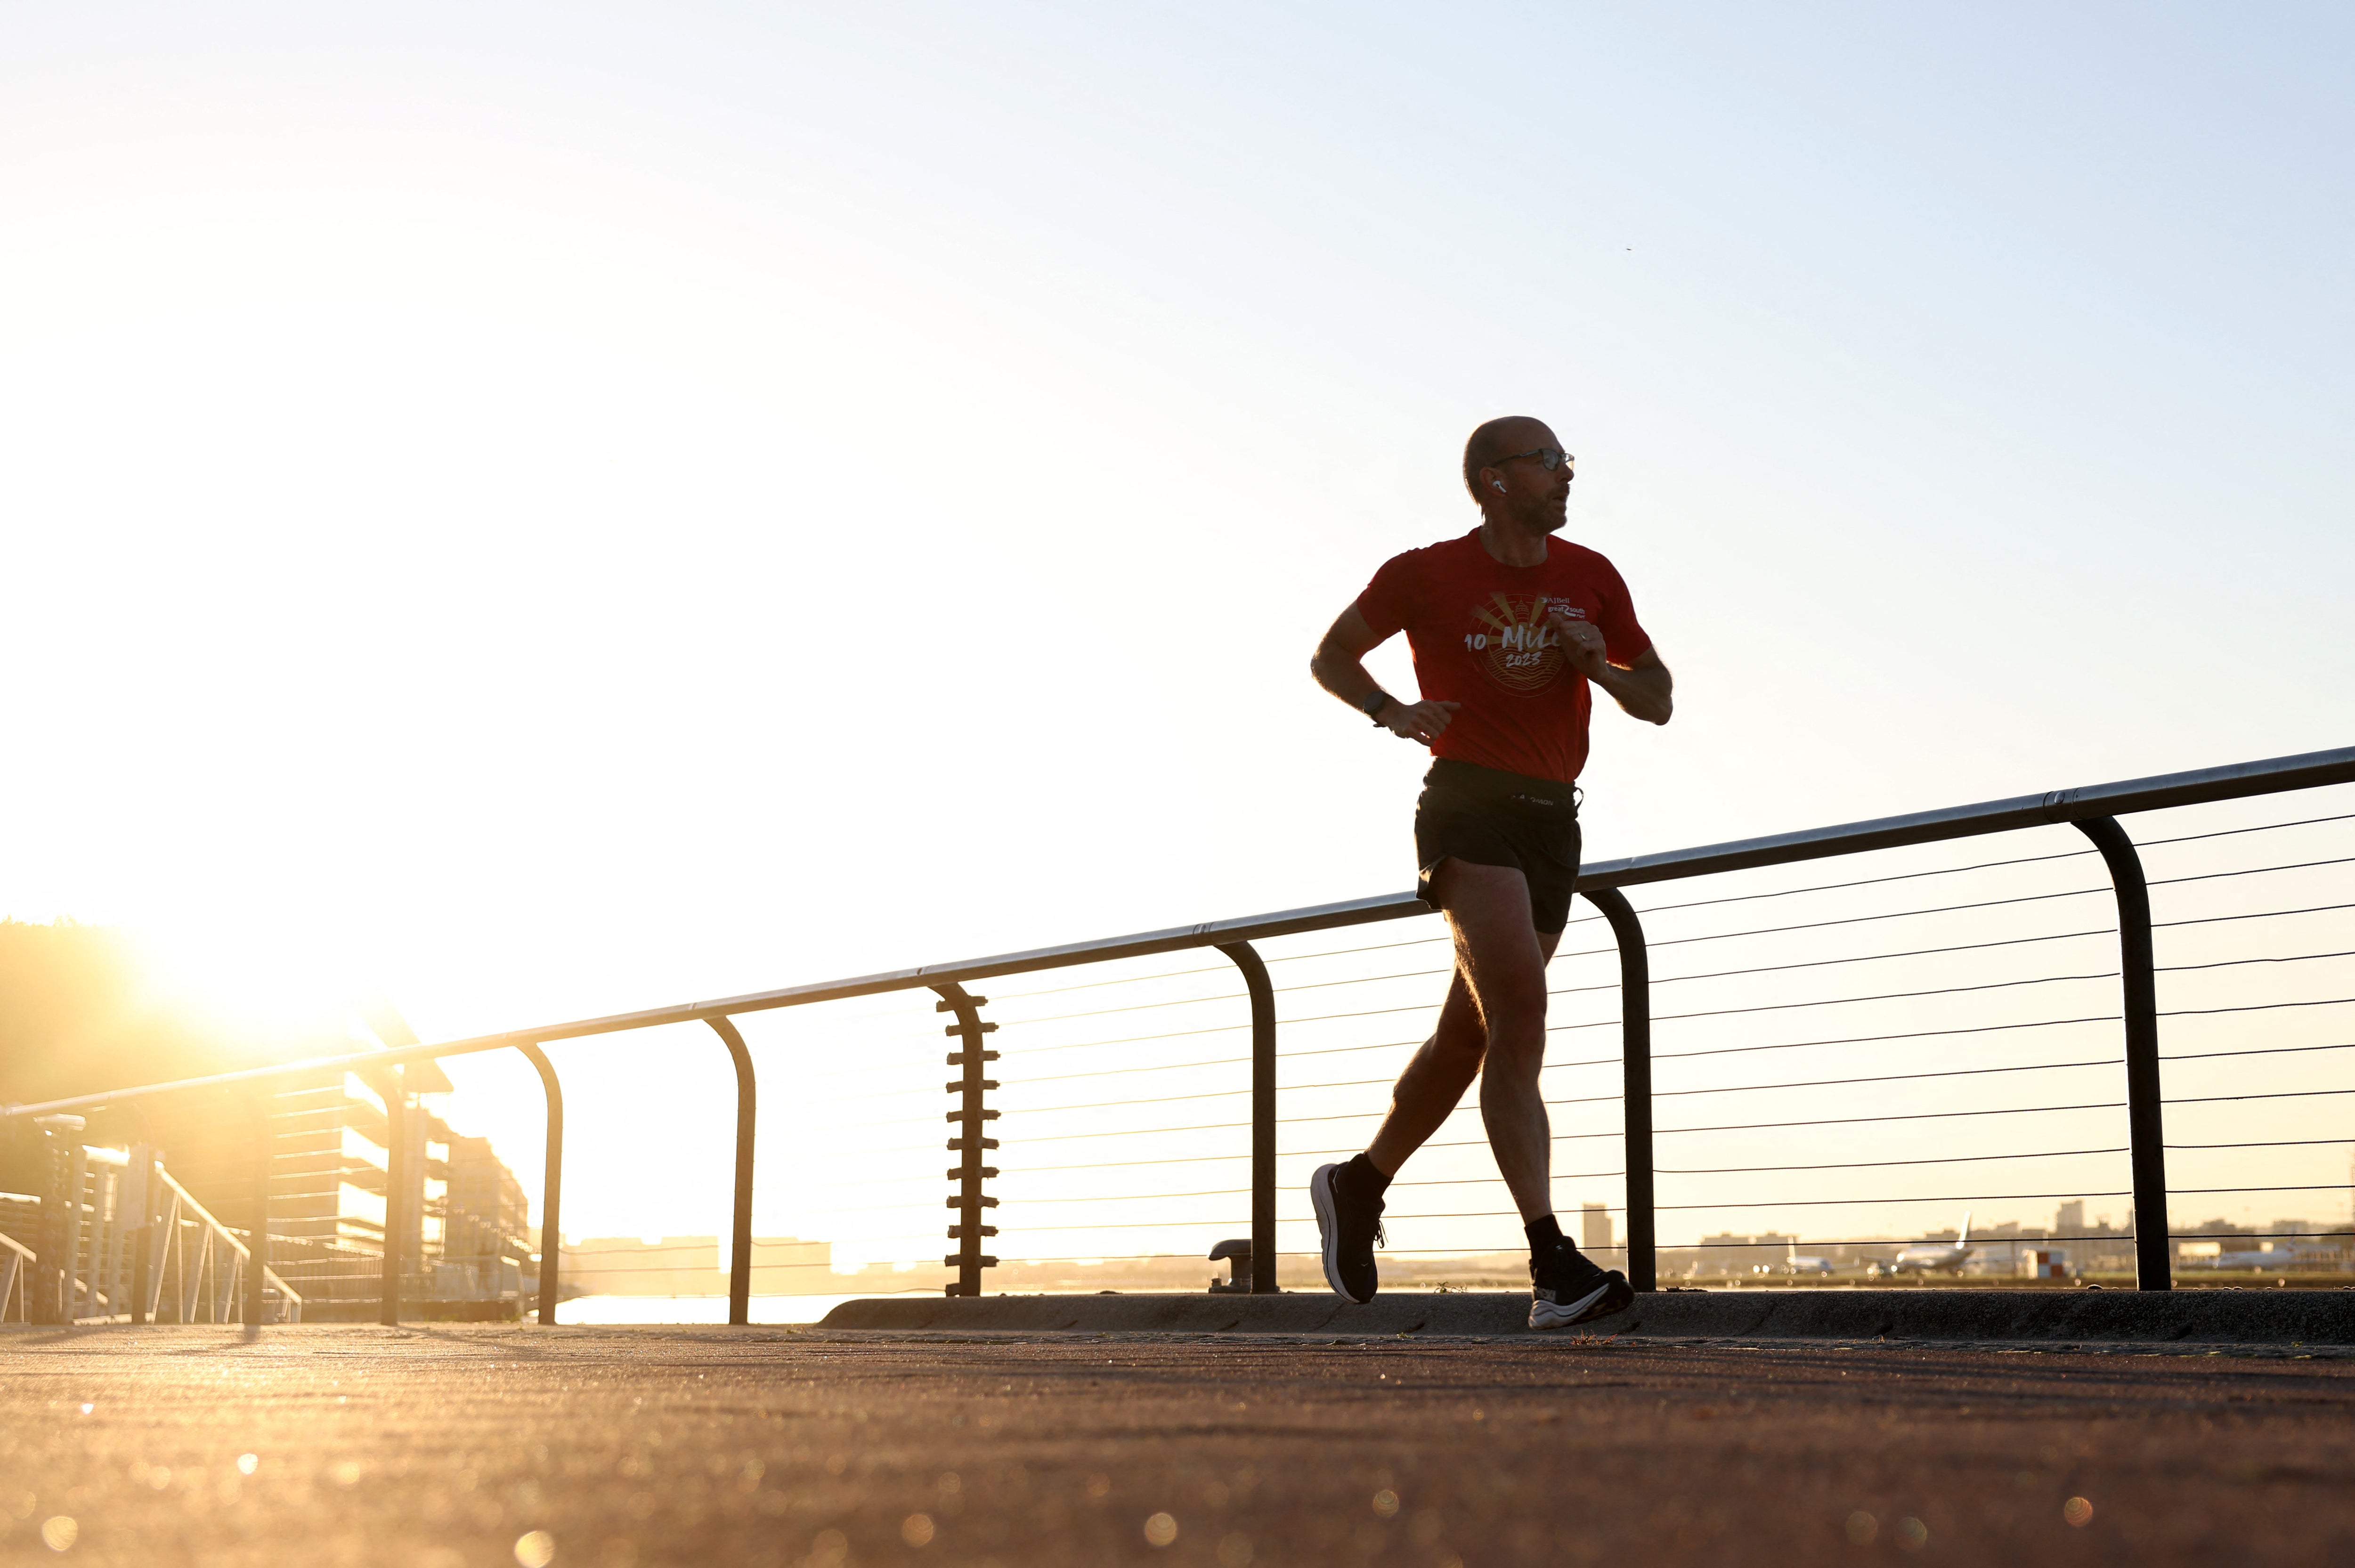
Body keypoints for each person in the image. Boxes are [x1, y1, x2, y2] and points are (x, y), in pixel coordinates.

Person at [1306, 415, 1673, 1329]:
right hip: (1466, 806)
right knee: (1523, 1009)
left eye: (1567, 462)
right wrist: (1391, 710)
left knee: (1472, 1038)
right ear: (1492, 480)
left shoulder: (1591, 577)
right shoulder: (1425, 575)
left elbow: (1658, 699)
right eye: (1547, 461)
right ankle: (1551, 1264)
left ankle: (1358, 1183)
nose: (1565, 476)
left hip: (1553, 820)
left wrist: (1600, 666)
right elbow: (1331, 654)